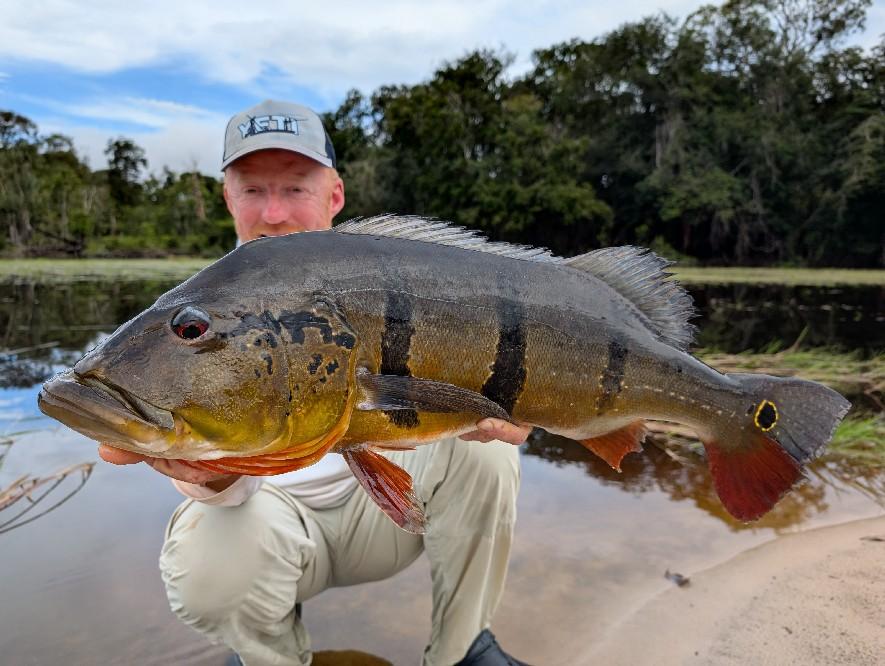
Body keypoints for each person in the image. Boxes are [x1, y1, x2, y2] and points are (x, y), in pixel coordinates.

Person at [98, 100, 532, 666]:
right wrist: (213, 473)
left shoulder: (405, 282)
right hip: (273, 530)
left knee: (488, 452)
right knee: (206, 566)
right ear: (228, 198)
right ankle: (265, 654)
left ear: (335, 195)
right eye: (253, 189)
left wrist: (525, 403)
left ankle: (463, 647)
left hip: (390, 517)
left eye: (296, 187)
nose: (274, 213)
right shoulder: (198, 307)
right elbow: (202, 481)